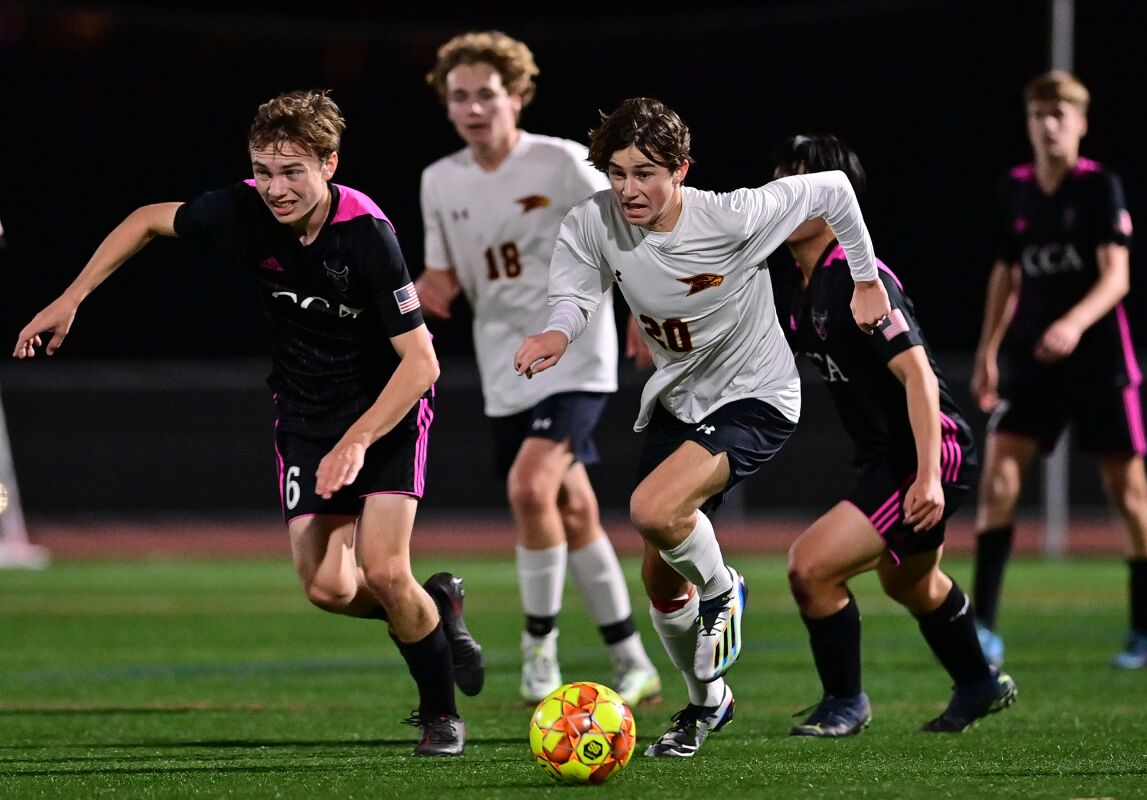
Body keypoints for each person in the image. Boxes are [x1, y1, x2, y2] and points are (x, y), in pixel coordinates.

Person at [12, 90, 484, 756]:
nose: (275, 186)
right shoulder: (240, 210)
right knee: (326, 588)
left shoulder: (366, 234)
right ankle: (436, 610)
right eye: (263, 169)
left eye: (292, 170)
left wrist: (357, 441)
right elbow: (147, 220)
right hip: (305, 411)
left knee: (382, 568)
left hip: (387, 407)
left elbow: (421, 365)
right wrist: (70, 299)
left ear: (330, 163)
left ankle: (440, 713)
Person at [514, 97, 892, 757]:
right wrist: (557, 331)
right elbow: (575, 294)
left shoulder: (732, 215)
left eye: (647, 172)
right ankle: (707, 702)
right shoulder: (592, 222)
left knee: (652, 510)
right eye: (618, 172)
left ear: (682, 170)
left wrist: (864, 279)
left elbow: (832, 189)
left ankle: (725, 589)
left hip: (756, 396)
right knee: (660, 577)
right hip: (680, 399)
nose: (629, 188)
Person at [417, 31, 660, 706]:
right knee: (573, 510)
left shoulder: (559, 164)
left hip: (576, 349)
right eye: (459, 96)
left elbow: (631, 225)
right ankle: (632, 660)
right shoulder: (439, 181)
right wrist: (416, 295)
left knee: (530, 488)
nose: (473, 108)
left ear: (517, 97)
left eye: (486, 94)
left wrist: (643, 307)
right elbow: (442, 276)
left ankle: (538, 650)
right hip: (504, 365)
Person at [775, 134, 1016, 737]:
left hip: (926, 452)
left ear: (833, 200)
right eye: (778, 180)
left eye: (796, 183)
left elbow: (918, 379)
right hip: (892, 456)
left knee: (810, 567)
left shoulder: (859, 278)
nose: (780, 194)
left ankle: (845, 703)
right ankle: (979, 682)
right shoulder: (804, 289)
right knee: (909, 580)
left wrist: (930, 475)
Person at [970, 71, 1147, 670]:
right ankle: (982, 630)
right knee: (999, 480)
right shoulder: (1014, 190)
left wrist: (1075, 323)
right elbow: (1006, 275)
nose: (1048, 125)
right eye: (1038, 115)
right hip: (1031, 359)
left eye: (1060, 115)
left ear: (1081, 123)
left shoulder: (1100, 187)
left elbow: (1117, 276)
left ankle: (1143, 634)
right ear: (1028, 124)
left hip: (1100, 359)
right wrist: (987, 352)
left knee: (1125, 491)